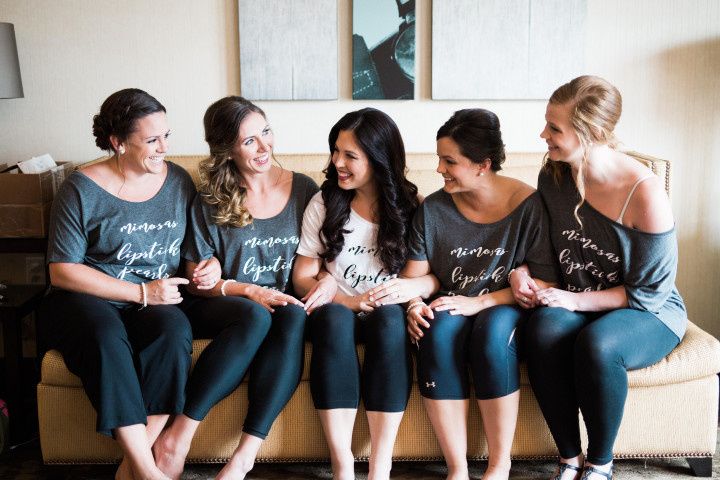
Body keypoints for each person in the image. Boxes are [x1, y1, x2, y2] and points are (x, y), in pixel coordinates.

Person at [38, 88, 219, 480]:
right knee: (106, 338)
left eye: (166, 136)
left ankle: (131, 467)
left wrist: (209, 267)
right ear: (118, 143)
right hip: (88, 299)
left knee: (173, 332)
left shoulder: (179, 182)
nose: (164, 148)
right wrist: (140, 292)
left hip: (156, 303)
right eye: (152, 140)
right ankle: (148, 472)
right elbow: (62, 270)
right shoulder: (80, 188)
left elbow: (193, 253)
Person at [521, 75, 687, 480]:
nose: (543, 134)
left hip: (647, 312)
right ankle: (569, 458)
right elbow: (542, 253)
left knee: (598, 344)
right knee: (542, 330)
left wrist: (575, 301)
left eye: (554, 128)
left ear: (591, 132)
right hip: (579, 299)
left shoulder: (644, 193)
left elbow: (648, 294)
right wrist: (522, 274)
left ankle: (599, 464)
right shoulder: (554, 176)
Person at [152, 96, 326, 480]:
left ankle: (244, 457)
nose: (264, 147)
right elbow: (197, 282)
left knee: (291, 315)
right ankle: (178, 437)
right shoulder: (209, 199)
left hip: (282, 307)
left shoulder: (304, 191)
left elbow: (324, 257)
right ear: (227, 149)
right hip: (224, 306)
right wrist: (237, 286)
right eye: (249, 141)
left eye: (265, 132)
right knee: (253, 313)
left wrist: (325, 279)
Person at [398, 109, 557, 480]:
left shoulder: (528, 206)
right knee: (434, 335)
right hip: (452, 301)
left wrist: (481, 302)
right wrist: (412, 304)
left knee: (492, 339)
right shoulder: (434, 209)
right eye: (440, 158)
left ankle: (498, 466)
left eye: (449, 161)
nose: (439, 169)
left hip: (505, 303)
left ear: (483, 164)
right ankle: (456, 468)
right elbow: (415, 276)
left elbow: (546, 283)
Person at [292, 108, 425, 480]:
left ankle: (380, 463)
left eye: (350, 155)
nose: (337, 163)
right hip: (338, 310)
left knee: (388, 319)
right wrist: (342, 297)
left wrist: (412, 299)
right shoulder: (325, 203)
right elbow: (302, 275)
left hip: (387, 312)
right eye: (336, 151)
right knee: (334, 319)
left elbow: (425, 274)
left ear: (379, 159)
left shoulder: (412, 206)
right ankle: (342, 464)